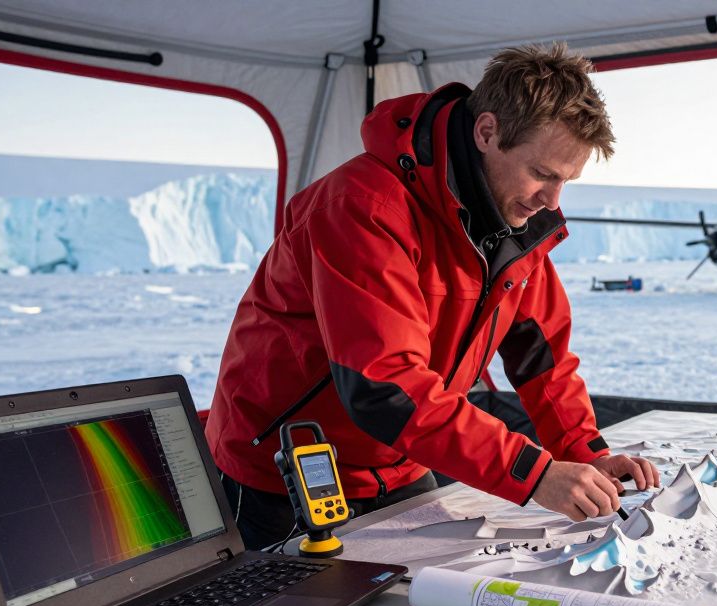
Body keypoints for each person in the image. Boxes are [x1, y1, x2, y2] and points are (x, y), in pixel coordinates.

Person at [205, 43, 659, 550]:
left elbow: (543, 361)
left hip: (402, 463)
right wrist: (535, 474)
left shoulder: (516, 225)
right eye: (543, 174)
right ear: (487, 132)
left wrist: (585, 452)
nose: (551, 202)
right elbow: (386, 386)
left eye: (566, 181)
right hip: (285, 473)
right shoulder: (362, 206)